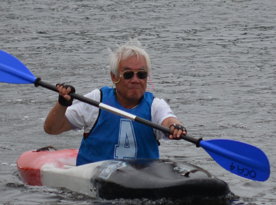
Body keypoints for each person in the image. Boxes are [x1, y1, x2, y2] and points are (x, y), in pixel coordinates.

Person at [43, 39, 187, 166]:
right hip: (95, 181)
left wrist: (175, 127)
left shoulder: (155, 105)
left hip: (142, 181)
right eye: (128, 74)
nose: (136, 80)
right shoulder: (96, 101)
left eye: (141, 74)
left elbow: (168, 120)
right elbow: (52, 129)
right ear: (114, 77)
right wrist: (63, 103)